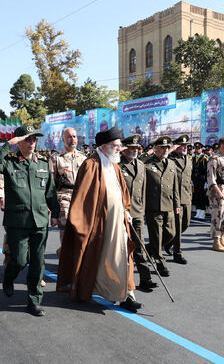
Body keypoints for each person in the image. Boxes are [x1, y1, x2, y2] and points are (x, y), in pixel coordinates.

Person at [57, 126, 142, 313]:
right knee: (95, 259)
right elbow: (82, 199)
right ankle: (87, 290)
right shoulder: (90, 165)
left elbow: (123, 194)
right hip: (99, 225)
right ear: (104, 146)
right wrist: (82, 224)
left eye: (120, 145)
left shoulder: (115, 166)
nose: (120, 148)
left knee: (124, 257)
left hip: (118, 223)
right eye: (116, 145)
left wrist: (125, 209)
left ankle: (128, 294)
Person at [0, 125, 59, 317]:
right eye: (28, 139)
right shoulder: (9, 162)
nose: (32, 142)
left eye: (34, 139)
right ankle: (8, 278)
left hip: (40, 220)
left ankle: (34, 299)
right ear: (19, 141)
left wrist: (55, 213)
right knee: (19, 260)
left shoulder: (43, 163)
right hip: (17, 220)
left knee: (37, 262)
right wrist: (8, 144)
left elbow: (50, 191)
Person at [119, 134, 157, 291]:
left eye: (137, 148)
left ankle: (145, 278)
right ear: (124, 149)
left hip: (138, 212)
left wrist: (144, 210)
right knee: (122, 249)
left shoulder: (141, 165)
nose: (135, 150)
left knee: (140, 245)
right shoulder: (117, 165)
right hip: (121, 214)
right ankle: (121, 282)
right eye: (131, 148)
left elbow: (143, 190)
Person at [143, 136, 179, 276]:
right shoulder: (147, 164)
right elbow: (138, 162)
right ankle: (160, 263)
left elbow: (175, 186)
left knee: (171, 233)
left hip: (169, 204)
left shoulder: (171, 164)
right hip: (153, 206)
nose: (165, 150)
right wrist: (148, 153)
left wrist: (177, 204)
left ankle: (149, 249)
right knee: (156, 237)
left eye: (167, 148)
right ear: (155, 149)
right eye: (162, 147)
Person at [49, 127, 87, 256]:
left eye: (75, 136)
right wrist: (51, 206)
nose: (73, 139)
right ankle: (66, 261)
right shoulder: (55, 158)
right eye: (69, 136)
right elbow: (51, 184)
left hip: (80, 198)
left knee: (80, 232)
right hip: (63, 197)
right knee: (66, 232)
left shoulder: (83, 157)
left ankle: (65, 254)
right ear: (63, 139)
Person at [167, 134, 192, 264]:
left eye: (186, 145)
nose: (184, 147)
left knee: (185, 224)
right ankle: (177, 253)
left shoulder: (188, 159)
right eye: (181, 145)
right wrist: (170, 149)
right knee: (176, 225)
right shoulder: (169, 159)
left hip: (186, 197)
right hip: (174, 198)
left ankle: (168, 242)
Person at [191, 142, 209, 220]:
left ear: (202, 149)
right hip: (196, 180)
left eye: (199, 148)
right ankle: (198, 211)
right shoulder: (193, 158)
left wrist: (206, 182)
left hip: (202, 180)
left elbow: (207, 171)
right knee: (197, 195)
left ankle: (203, 212)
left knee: (202, 196)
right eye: (196, 148)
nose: (197, 150)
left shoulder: (205, 158)